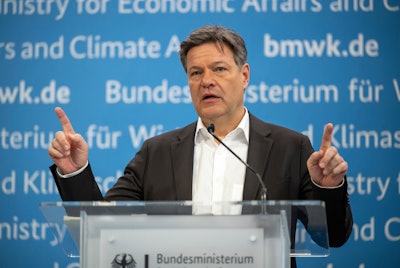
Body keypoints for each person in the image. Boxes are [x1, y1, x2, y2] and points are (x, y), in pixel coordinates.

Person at [48, 25, 352, 267]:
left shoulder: (291, 147)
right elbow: (99, 230)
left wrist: (328, 188)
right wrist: (76, 173)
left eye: (219, 69)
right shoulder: (158, 152)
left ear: (244, 76)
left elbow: (334, 237)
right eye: (196, 73)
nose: (206, 80)